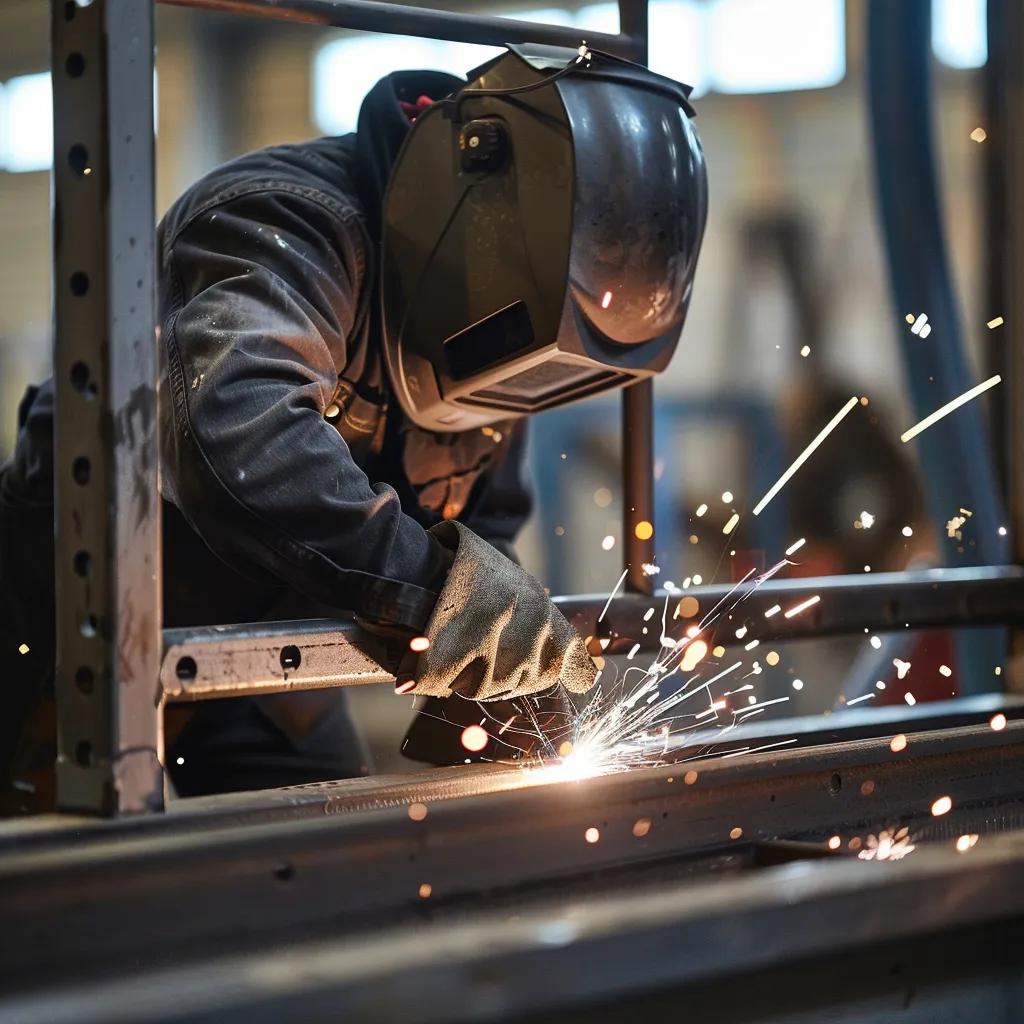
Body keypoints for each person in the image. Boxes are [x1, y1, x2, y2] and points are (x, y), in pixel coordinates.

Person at [0, 44, 707, 801]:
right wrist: (438, 592)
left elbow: (482, 522)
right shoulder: (283, 220)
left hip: (269, 652)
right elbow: (241, 435)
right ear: (478, 226)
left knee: (331, 871)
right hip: (80, 632)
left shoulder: (492, 322)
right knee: (65, 893)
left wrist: (495, 681)